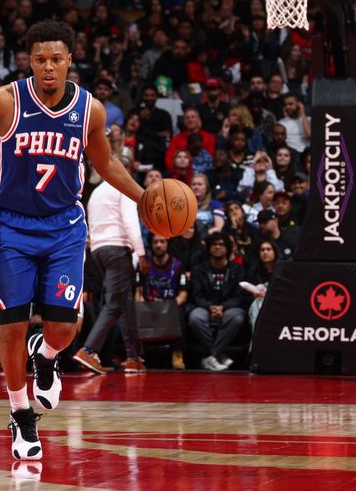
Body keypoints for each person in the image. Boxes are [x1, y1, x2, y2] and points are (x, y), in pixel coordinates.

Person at [0, 20, 145, 461]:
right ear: (28, 60)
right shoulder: (2, 101)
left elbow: (106, 165)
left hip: (64, 226)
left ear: (71, 60)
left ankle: (47, 356)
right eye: (39, 59)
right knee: (11, 324)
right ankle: (20, 414)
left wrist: (144, 198)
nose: (48, 67)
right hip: (9, 228)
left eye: (56, 59)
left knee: (65, 327)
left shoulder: (90, 110)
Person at [73, 150, 145, 374]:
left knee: (124, 302)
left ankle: (133, 356)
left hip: (99, 251)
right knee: (115, 302)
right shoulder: (123, 189)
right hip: (116, 249)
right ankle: (89, 350)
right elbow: (130, 221)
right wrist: (141, 253)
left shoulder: (96, 193)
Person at [188, 232, 246, 371]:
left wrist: (223, 308)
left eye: (221, 244)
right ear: (208, 248)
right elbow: (196, 295)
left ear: (227, 248)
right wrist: (210, 307)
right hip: (205, 307)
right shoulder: (199, 269)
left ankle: (211, 355)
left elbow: (239, 296)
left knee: (237, 317)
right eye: (214, 244)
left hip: (228, 308)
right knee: (195, 318)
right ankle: (219, 354)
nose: (218, 247)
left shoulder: (236, 269)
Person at [134, 234, 189, 370]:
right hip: (148, 306)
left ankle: (177, 354)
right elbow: (138, 293)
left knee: (181, 314)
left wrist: (167, 308)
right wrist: (143, 305)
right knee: (134, 312)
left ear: (167, 244)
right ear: (151, 245)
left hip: (170, 306)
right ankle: (137, 356)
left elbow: (183, 295)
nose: (159, 245)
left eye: (162, 242)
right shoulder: (144, 265)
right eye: (155, 242)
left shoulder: (177, 265)